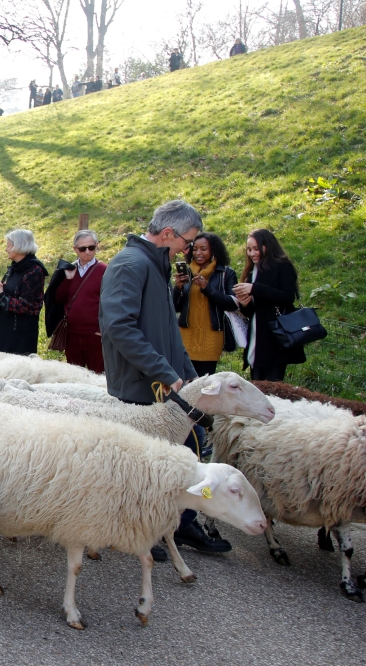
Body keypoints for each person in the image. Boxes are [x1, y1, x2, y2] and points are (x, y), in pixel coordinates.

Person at [100, 199, 230, 557]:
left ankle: (179, 526)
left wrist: (188, 377)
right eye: (187, 242)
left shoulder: (155, 265)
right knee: (148, 467)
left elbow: (167, 332)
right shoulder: (131, 264)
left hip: (166, 385)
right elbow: (119, 327)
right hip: (144, 388)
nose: (189, 250)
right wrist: (165, 373)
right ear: (168, 233)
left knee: (185, 456)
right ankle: (141, 531)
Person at [234, 229, 304, 381]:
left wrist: (254, 288)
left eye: (256, 249)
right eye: (249, 249)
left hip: (275, 337)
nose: (252, 253)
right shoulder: (252, 270)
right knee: (257, 384)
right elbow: (256, 307)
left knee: (273, 385)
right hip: (256, 335)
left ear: (268, 245)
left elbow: (287, 296)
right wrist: (245, 304)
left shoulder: (283, 266)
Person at [173, 232, 239, 376]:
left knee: (204, 383)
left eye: (203, 249)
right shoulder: (187, 272)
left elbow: (232, 304)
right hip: (186, 338)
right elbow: (175, 307)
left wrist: (207, 288)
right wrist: (178, 288)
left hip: (211, 338)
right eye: (195, 249)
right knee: (186, 384)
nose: (198, 253)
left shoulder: (226, 273)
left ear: (213, 250)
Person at [52, 230, 107, 373]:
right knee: (74, 375)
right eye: (83, 248)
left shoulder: (104, 270)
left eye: (92, 247)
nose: (87, 252)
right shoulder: (69, 269)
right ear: (75, 249)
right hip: (72, 333)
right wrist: (68, 280)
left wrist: (101, 329)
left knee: (98, 375)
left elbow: (109, 302)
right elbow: (58, 298)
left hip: (94, 335)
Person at [0, 229, 48, 355]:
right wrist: (1, 286)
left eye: (9, 245)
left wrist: (1, 293)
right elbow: (16, 290)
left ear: (19, 246)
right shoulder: (15, 267)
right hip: (6, 330)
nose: (6, 249)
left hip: (21, 335)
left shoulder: (34, 270)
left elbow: (24, 306)